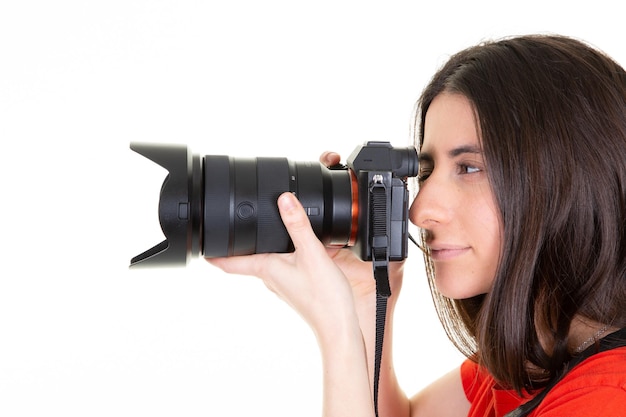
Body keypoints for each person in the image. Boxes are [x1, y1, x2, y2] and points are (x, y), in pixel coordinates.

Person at [209, 34, 626, 416]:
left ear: (566, 181)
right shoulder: (536, 359)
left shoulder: (607, 398)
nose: (419, 210)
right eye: (426, 171)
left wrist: (336, 331)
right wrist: (367, 298)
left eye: (468, 167)